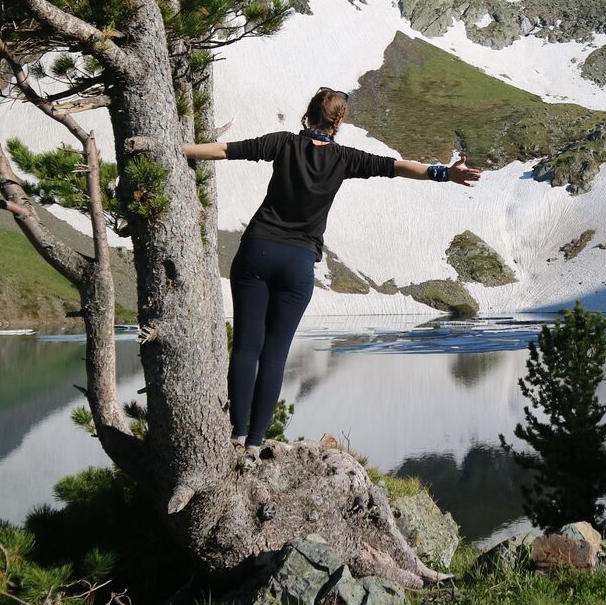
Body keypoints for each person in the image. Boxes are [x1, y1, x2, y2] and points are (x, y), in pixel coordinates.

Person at [182, 86, 483, 451]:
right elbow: (397, 167)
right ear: (339, 123)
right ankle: (255, 443)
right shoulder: (344, 159)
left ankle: (235, 434)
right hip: (298, 263)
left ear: (308, 114)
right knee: (275, 354)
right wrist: (443, 174)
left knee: (246, 347)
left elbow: (225, 151)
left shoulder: (282, 143)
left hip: (257, 250)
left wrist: (176, 148)